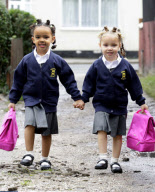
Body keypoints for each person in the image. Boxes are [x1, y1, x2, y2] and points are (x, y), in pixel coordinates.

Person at [8, 19, 84, 170]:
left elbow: (68, 80)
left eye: (46, 37)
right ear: (33, 39)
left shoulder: (57, 61)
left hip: (49, 101)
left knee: (46, 131)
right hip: (31, 100)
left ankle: (45, 158)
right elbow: (18, 81)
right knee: (29, 125)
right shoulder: (26, 61)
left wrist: (77, 97)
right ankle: (29, 154)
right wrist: (13, 100)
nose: (42, 40)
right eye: (38, 37)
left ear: (52, 39)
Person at [73, 26, 148, 173]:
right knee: (101, 129)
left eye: (113, 45)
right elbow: (89, 84)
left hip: (119, 106)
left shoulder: (125, 66)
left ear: (119, 45)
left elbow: (134, 85)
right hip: (101, 104)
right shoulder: (96, 65)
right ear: (100, 45)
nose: (110, 48)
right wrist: (83, 99)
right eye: (106, 45)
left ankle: (115, 161)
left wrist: (141, 101)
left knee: (117, 134)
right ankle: (102, 158)